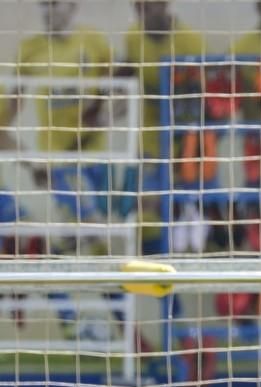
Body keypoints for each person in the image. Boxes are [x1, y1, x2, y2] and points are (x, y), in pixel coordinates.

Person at [14, 0, 112, 225]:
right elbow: (11, 106)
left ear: (72, 6)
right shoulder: (29, 49)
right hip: (57, 155)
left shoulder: (94, 40)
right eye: (43, 4)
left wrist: (107, 112)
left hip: (94, 151)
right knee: (88, 224)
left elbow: (119, 86)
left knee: (98, 227)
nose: (48, 9)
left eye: (54, 3)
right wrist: (27, 159)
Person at [121, 0, 206, 254]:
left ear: (166, 5)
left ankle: (180, 283)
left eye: (153, 5)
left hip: (184, 143)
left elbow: (202, 102)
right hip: (149, 140)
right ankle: (158, 281)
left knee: (185, 219)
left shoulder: (190, 42)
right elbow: (128, 77)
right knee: (146, 214)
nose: (147, 12)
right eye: (140, 7)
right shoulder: (133, 38)